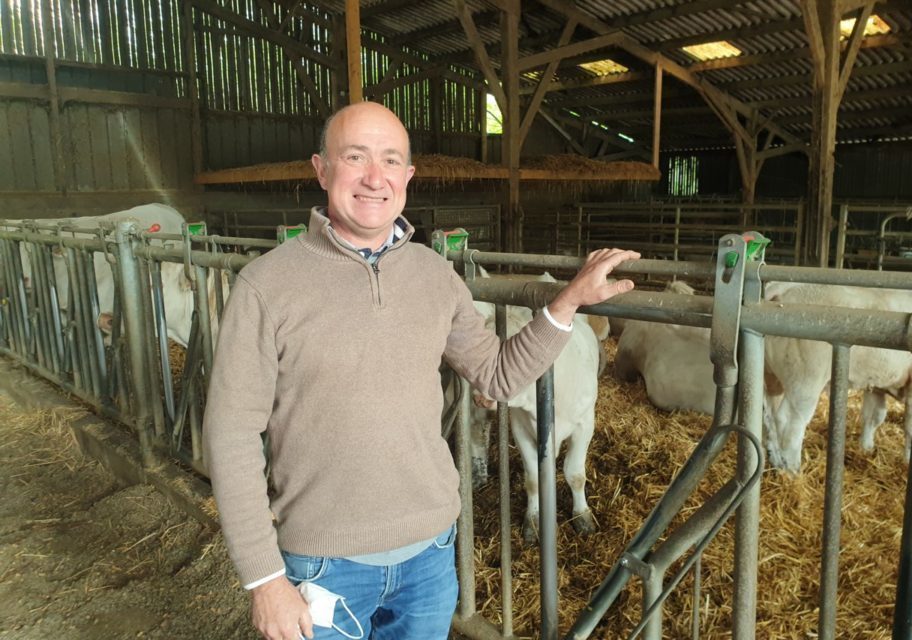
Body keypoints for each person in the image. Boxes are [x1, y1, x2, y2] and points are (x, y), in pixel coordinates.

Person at [202, 101, 640, 640]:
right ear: (320, 169)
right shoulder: (266, 286)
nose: (373, 178)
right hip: (322, 565)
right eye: (354, 157)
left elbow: (498, 375)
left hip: (430, 557)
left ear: (408, 176)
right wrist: (264, 580)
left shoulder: (436, 275)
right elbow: (230, 432)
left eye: (390, 161)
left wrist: (567, 302)